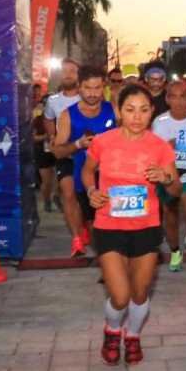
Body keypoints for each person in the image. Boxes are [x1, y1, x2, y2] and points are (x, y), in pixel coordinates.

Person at [81, 84, 180, 366]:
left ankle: (133, 335)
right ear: (119, 111)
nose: (137, 117)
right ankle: (112, 330)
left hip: (146, 227)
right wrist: (91, 192)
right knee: (121, 296)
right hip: (108, 226)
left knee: (139, 293)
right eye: (130, 110)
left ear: (152, 112)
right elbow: (88, 172)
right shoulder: (103, 141)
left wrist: (165, 178)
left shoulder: (160, 147)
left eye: (144, 110)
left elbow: (174, 193)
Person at [53, 66, 117, 251]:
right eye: (88, 88)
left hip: (106, 169)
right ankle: (77, 237)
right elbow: (57, 152)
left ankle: (107, 254)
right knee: (70, 194)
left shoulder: (112, 109)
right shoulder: (67, 114)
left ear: (103, 87)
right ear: (79, 87)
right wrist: (78, 144)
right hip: (77, 164)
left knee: (104, 217)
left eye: (97, 88)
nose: (93, 93)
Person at [152, 81, 186, 271]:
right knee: (170, 213)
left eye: (183, 96)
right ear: (167, 99)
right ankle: (175, 250)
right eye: (173, 96)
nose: (178, 101)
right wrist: (168, 150)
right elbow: (156, 153)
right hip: (168, 174)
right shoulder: (160, 122)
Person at [45, 58, 88, 256]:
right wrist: (52, 136)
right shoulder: (53, 100)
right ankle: (76, 239)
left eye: (73, 70)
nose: (69, 74)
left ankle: (85, 227)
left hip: (87, 155)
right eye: (65, 71)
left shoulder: (88, 97)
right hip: (65, 154)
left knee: (84, 197)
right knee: (68, 194)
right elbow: (47, 119)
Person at [32, 89, 57, 214]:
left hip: (59, 152)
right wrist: (45, 137)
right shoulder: (38, 120)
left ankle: (57, 198)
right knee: (46, 181)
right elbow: (33, 137)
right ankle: (47, 201)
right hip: (43, 153)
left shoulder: (62, 117)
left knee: (61, 181)